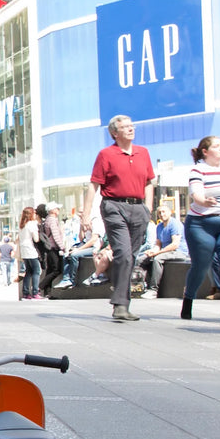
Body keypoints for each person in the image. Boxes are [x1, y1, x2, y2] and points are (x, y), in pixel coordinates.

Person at [80, 114, 154, 321]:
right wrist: (86, 215)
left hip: (139, 208)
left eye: (132, 125)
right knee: (124, 254)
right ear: (115, 133)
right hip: (114, 207)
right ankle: (120, 304)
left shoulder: (143, 153)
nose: (131, 129)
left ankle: (121, 299)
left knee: (130, 256)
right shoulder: (106, 154)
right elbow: (94, 185)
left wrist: (148, 208)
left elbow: (149, 182)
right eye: (125, 127)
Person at [181, 135, 220, 324]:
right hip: (202, 223)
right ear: (205, 152)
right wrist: (204, 201)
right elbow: (196, 194)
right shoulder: (198, 170)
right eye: (216, 146)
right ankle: (188, 299)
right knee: (201, 266)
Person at [139, 205, 187, 296]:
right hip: (165, 251)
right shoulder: (159, 226)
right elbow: (158, 244)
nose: (162, 214)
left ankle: (153, 290)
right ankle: (141, 285)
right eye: (160, 213)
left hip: (179, 252)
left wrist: (158, 252)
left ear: (170, 212)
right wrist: (152, 251)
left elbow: (174, 245)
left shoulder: (175, 224)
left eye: (164, 211)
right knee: (142, 259)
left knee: (157, 259)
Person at [38, 204, 66, 297]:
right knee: (57, 270)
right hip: (53, 248)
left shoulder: (47, 220)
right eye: (57, 208)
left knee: (50, 270)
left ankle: (47, 293)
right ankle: (40, 287)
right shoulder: (52, 220)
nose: (58, 210)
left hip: (49, 248)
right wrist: (62, 247)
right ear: (52, 210)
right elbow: (56, 235)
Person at [17, 207, 42, 299]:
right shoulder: (32, 224)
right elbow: (36, 239)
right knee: (36, 270)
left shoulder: (21, 225)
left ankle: (25, 292)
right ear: (31, 214)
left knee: (28, 272)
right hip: (31, 250)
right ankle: (35, 292)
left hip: (24, 250)